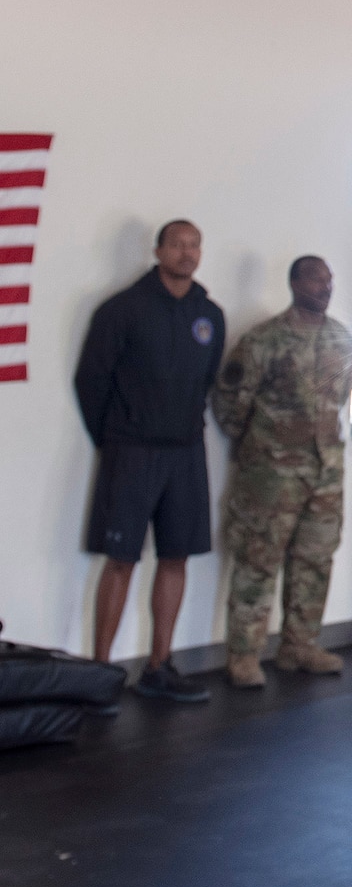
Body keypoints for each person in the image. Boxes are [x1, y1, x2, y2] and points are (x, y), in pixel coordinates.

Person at [74, 219, 225, 704]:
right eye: (177, 245)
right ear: (158, 250)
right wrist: (116, 437)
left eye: (194, 245)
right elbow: (90, 381)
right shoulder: (122, 310)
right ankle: (100, 674)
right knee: (121, 559)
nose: (187, 253)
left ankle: (159, 666)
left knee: (176, 556)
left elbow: (207, 381)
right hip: (131, 451)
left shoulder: (210, 315)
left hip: (186, 452)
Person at [211, 255, 352, 688]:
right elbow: (230, 404)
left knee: (315, 562)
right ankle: (244, 655)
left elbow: (342, 396)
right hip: (271, 476)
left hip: (325, 472)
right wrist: (260, 449)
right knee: (258, 562)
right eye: (316, 279)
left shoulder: (340, 339)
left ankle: (300, 646)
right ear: (294, 283)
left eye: (330, 279)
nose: (325, 287)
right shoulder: (263, 341)